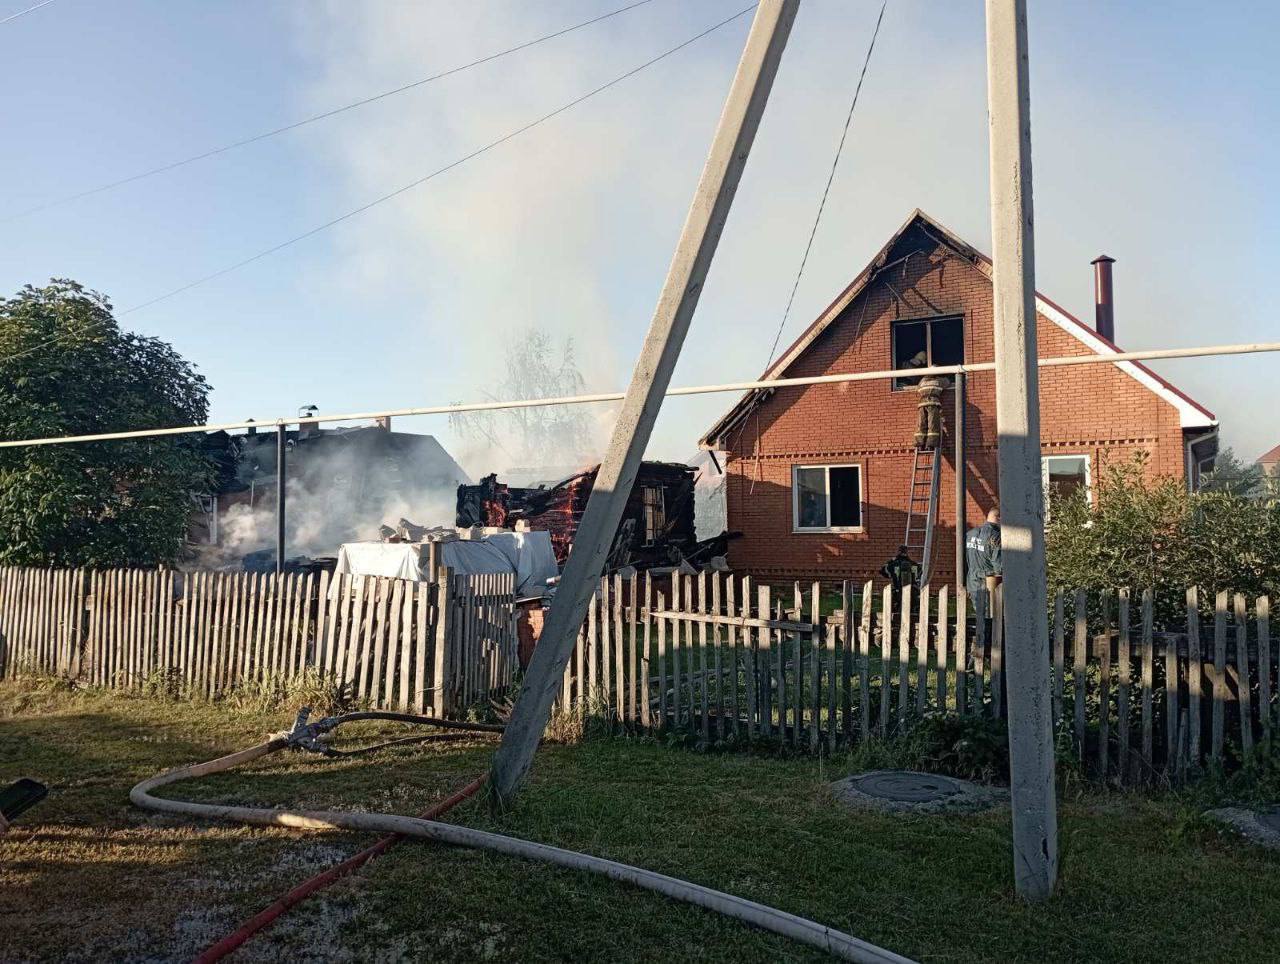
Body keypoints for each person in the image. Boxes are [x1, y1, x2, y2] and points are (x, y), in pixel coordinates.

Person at [964, 506, 1002, 599]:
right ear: (999, 518)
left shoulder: (970, 533)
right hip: (989, 582)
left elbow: (965, 558)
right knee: (993, 612)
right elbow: (998, 565)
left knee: (979, 612)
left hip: (972, 581)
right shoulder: (996, 536)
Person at [910, 350, 944, 450]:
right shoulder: (939, 381)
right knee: (932, 424)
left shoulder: (922, 381)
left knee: (921, 424)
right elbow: (948, 382)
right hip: (933, 403)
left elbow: (918, 388)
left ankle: (919, 444)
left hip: (921, 404)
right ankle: (931, 445)